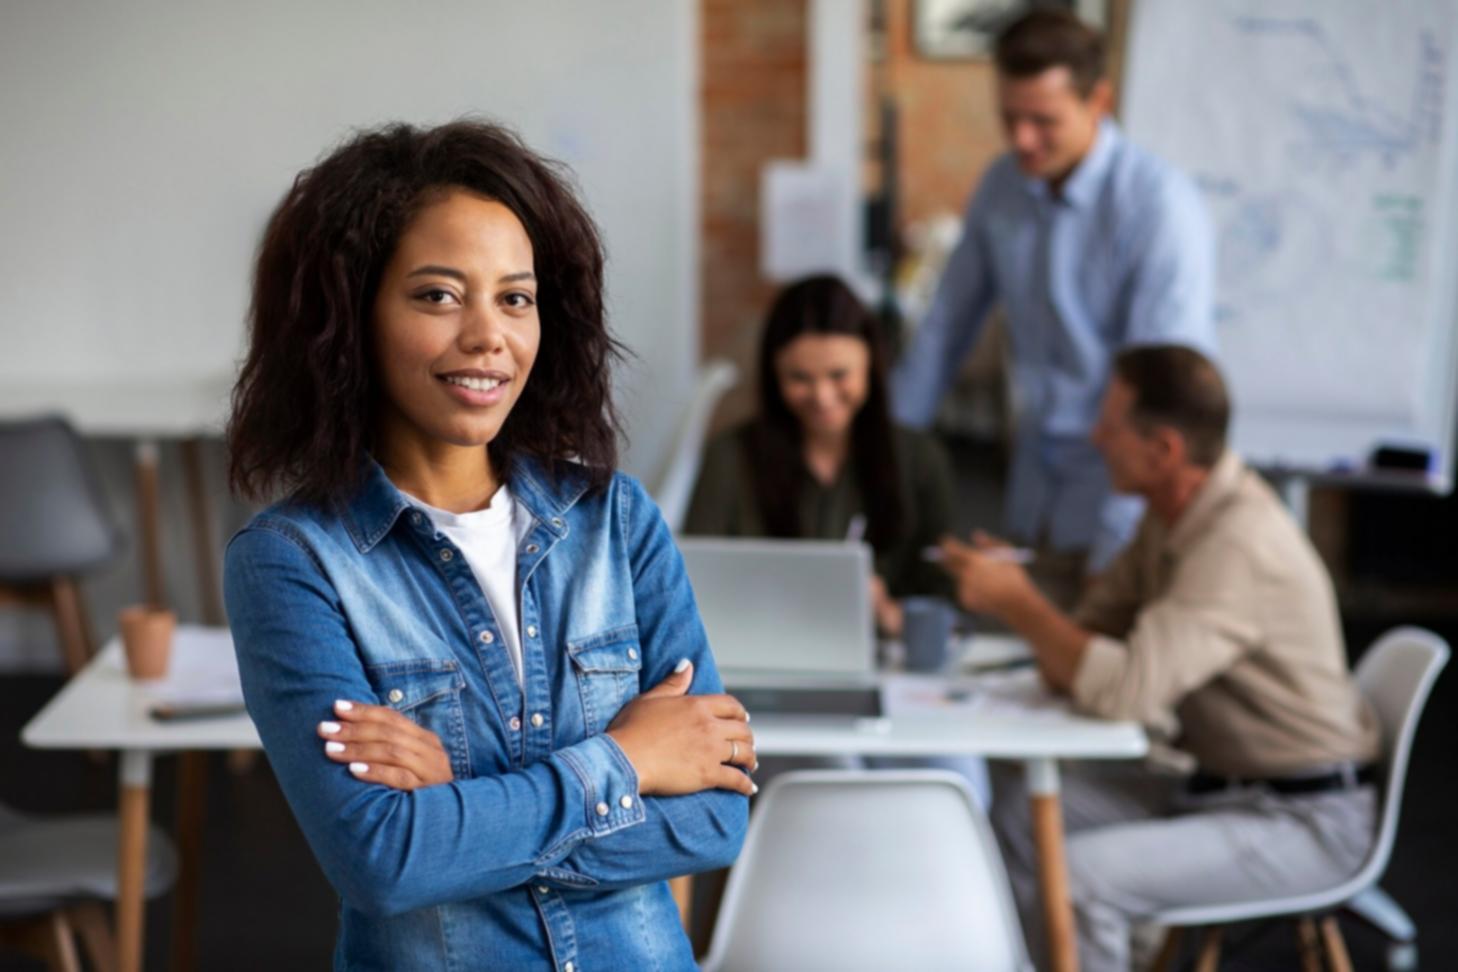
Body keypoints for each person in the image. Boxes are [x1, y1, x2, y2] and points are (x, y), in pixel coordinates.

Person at [223, 120, 753, 971]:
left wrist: (462, 813)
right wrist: (626, 762)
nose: (488, 337)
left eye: (515, 297)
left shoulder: (618, 520)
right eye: (437, 295)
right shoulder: (291, 562)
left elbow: (715, 818)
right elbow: (383, 862)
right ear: (349, 314)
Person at [937, 345, 1379, 972]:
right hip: (1220, 785)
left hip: (1302, 817)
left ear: (1164, 450)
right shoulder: (1171, 514)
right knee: (1018, 815)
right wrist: (1028, 598)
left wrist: (1021, 607)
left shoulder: (1235, 543)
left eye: (1109, 424)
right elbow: (1094, 626)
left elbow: (1125, 690)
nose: (1095, 436)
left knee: (1084, 879)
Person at [893, 9, 1216, 597]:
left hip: (1122, 504)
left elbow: (1162, 394)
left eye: (1044, 121)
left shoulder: (1158, 207)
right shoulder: (1002, 186)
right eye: (1009, 118)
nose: (1022, 140)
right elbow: (945, 328)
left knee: (1099, 674)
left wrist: (1116, 538)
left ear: (1099, 101)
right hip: (1030, 488)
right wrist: (886, 451)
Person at [686, 274, 956, 636]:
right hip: (758, 649)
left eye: (839, 375)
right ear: (774, 375)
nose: (822, 396)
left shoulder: (920, 459)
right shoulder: (729, 457)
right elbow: (694, 583)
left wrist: (889, 613)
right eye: (800, 378)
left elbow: (947, 600)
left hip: (887, 660)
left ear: (870, 369)